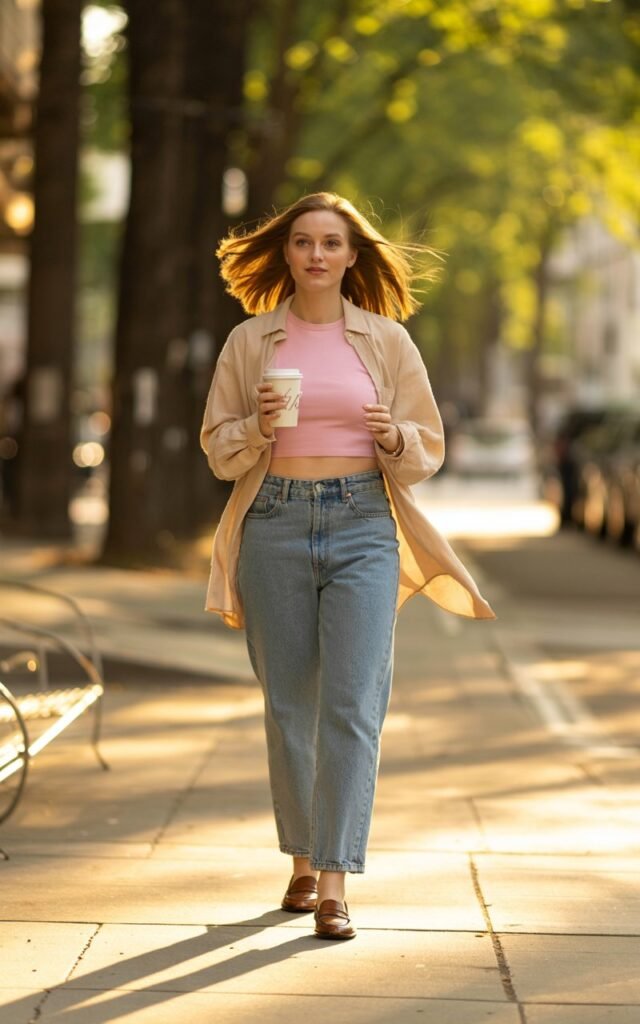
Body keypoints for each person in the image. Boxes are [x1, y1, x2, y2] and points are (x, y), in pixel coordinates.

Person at [200, 191, 496, 941]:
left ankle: (333, 882)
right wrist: (258, 426)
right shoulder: (250, 341)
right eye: (303, 242)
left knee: (353, 703)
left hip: (365, 521)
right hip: (274, 522)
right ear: (287, 253)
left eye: (332, 243)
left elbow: (426, 449)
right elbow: (216, 447)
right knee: (289, 704)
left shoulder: (388, 342)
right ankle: (300, 859)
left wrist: (392, 434)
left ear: (352, 255)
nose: (317, 255)